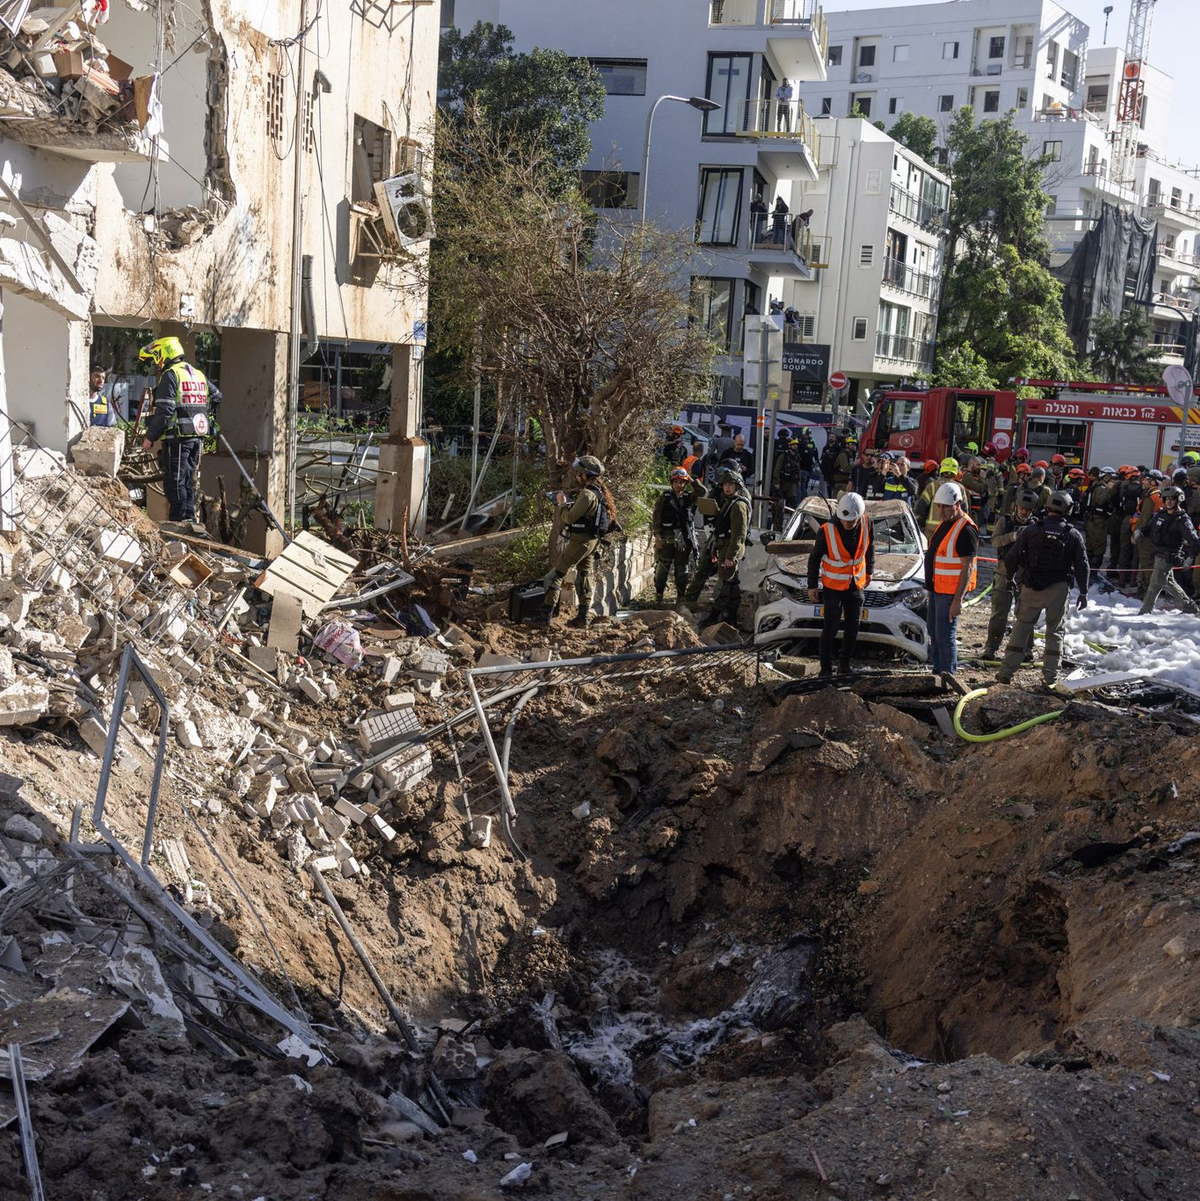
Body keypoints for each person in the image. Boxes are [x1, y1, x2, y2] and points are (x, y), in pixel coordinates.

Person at [996, 490, 1089, 691]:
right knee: (1055, 632)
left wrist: (1010, 578)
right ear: (1068, 509)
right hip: (1058, 589)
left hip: (1030, 587)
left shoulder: (1031, 530)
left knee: (1021, 628)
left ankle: (1005, 673)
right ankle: (1050, 678)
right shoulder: (1072, 534)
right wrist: (1083, 591)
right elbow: (1082, 564)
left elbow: (1012, 557)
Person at [140, 336, 222, 524]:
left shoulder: (171, 375)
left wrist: (150, 437)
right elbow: (217, 396)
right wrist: (202, 412)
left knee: (175, 481)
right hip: (196, 437)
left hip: (177, 437)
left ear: (163, 354)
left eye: (156, 358)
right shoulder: (197, 373)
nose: (156, 363)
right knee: (187, 479)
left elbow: (165, 410)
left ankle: (179, 521)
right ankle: (189, 519)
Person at [543, 455, 616, 629]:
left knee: (554, 576)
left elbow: (569, 517)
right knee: (583, 576)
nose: (577, 476)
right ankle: (582, 618)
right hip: (591, 542)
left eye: (579, 473)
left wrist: (561, 504)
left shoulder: (587, 494)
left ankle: (544, 617)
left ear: (586, 474)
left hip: (580, 542)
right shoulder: (598, 492)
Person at [807, 491, 875, 677]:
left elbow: (870, 549)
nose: (847, 524)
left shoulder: (866, 523)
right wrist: (812, 585)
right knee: (830, 627)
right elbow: (814, 558)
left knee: (853, 627)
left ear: (859, 516)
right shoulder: (827, 530)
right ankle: (825, 669)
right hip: (833, 588)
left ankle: (844, 665)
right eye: (844, 521)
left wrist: (869, 571)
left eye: (851, 521)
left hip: (855, 586)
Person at [683, 467, 751, 627]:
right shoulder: (730, 502)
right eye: (725, 484)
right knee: (732, 584)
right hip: (724, 546)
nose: (727, 487)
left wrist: (731, 556)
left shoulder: (738, 505)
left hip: (729, 549)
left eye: (731, 485)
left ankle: (714, 615)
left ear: (737, 487)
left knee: (724, 584)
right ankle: (732, 617)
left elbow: (739, 534)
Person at [924, 481, 978, 678]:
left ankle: (948, 677)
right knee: (934, 632)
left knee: (945, 636)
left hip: (949, 594)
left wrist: (958, 600)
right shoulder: (946, 524)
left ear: (957, 504)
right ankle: (938, 673)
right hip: (937, 589)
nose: (941, 510)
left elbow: (968, 567)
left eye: (945, 507)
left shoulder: (965, 529)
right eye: (939, 506)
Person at [981, 486, 1038, 660]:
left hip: (1025, 576)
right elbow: (994, 542)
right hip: (1004, 573)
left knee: (1026, 615)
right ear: (1016, 506)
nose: (1024, 512)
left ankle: (1026, 649)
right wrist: (1012, 536)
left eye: (1028, 510)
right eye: (1022, 508)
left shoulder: (1035, 524)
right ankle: (991, 647)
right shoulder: (1004, 522)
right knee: (999, 613)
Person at [1137, 486, 1200, 615]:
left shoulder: (1182, 520)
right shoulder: (1161, 515)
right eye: (1166, 499)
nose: (1169, 502)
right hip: (1157, 554)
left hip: (1168, 557)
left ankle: (1145, 611)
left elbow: (1195, 541)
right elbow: (1148, 527)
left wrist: (1190, 558)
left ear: (1179, 500)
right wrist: (1140, 532)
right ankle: (1189, 606)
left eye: (1172, 499)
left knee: (1154, 585)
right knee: (1169, 583)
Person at [651, 467, 704, 606]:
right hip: (667, 536)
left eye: (682, 482)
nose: (678, 485)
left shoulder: (689, 497)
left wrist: (691, 479)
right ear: (671, 482)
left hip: (684, 538)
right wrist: (657, 536)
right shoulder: (665, 497)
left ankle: (680, 596)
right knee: (663, 567)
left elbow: (702, 491)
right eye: (676, 482)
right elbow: (656, 517)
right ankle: (659, 595)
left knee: (682, 569)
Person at [1133, 469, 1164, 595]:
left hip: (1147, 535)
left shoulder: (1151, 496)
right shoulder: (1158, 494)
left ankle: (1147, 591)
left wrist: (1136, 533)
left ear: (1152, 481)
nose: (1143, 481)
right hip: (1153, 534)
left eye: (1146, 479)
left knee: (1146, 562)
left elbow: (1144, 518)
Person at [915, 457, 960, 542]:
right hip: (952, 530)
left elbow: (920, 508)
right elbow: (964, 510)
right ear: (956, 470)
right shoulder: (960, 488)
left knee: (928, 552)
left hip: (931, 530)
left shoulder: (932, 486)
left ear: (941, 469)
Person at [1083, 466, 1117, 569]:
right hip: (1098, 522)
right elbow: (1101, 500)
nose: (1113, 480)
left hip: (1092, 520)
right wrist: (1109, 489)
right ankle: (1093, 572)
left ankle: (1088, 570)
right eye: (1111, 478)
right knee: (1098, 548)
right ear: (1106, 477)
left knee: (1090, 547)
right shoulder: (1102, 488)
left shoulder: (1095, 486)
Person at [771, 438, 804, 530]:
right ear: (789, 445)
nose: (795, 446)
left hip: (791, 483)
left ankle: (794, 526)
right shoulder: (783, 456)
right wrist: (776, 482)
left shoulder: (797, 456)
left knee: (793, 503)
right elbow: (777, 469)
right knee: (779, 505)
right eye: (793, 444)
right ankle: (778, 526)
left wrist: (798, 481)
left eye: (796, 444)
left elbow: (798, 469)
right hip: (782, 482)